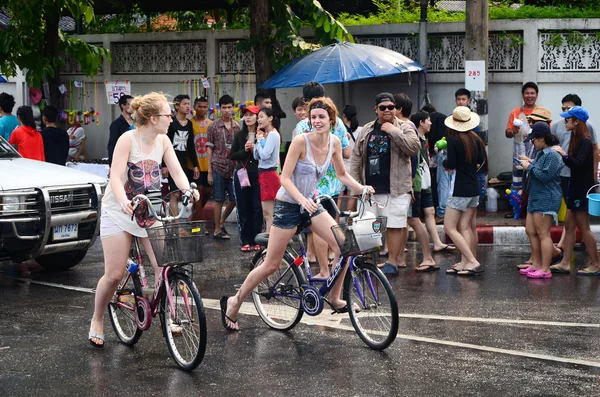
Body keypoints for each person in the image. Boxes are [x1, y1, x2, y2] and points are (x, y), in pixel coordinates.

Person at [219, 97, 373, 331]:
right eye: (313, 117)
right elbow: (285, 178)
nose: (317, 121)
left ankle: (335, 297)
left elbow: (342, 174)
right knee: (271, 265)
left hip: (311, 204)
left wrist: (362, 188)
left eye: (322, 117)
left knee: (346, 247)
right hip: (288, 205)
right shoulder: (301, 142)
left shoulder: (334, 142)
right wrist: (301, 200)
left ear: (331, 119)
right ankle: (234, 301)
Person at [88, 92, 199, 348]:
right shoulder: (127, 139)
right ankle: (97, 318)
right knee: (114, 274)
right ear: (152, 118)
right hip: (119, 211)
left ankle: (172, 313)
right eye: (167, 114)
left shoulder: (163, 140)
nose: (171, 118)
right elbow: (115, 176)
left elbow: (176, 172)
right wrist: (123, 201)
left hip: (149, 210)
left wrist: (187, 190)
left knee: (165, 266)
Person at [350, 92, 421, 276]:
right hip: (370, 187)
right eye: (383, 108)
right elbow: (356, 159)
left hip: (396, 188)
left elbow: (413, 148)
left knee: (394, 225)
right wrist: (356, 186)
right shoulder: (366, 130)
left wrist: (393, 131)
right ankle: (367, 261)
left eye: (391, 107)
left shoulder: (404, 127)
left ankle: (392, 262)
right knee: (367, 224)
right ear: (376, 109)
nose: (388, 110)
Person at [296, 82, 350, 278]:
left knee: (319, 229)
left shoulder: (302, 125)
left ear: (305, 101)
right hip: (333, 184)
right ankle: (329, 263)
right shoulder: (338, 123)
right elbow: (348, 152)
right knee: (331, 226)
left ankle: (324, 270)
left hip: (312, 186)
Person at [549, 106, 600, 276]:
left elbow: (577, 164)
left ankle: (595, 264)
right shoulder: (575, 138)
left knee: (584, 228)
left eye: (567, 119)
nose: (565, 122)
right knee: (569, 225)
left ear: (576, 121)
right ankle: (565, 263)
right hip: (574, 187)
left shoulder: (585, 140)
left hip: (581, 189)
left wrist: (563, 154)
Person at [443, 107, 487, 276]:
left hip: (459, 188)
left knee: (449, 227)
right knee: (465, 226)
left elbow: (451, 163)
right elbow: (479, 162)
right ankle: (465, 262)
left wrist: (444, 161)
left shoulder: (453, 140)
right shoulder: (476, 139)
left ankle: (471, 260)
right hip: (473, 187)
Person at [518, 122, 563, 279]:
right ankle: (536, 264)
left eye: (534, 139)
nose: (532, 142)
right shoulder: (542, 153)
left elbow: (545, 175)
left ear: (542, 139)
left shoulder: (552, 155)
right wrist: (530, 163)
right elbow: (539, 169)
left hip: (547, 197)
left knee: (543, 234)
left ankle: (545, 269)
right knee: (531, 230)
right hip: (535, 197)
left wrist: (528, 167)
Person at [410, 111, 456, 256]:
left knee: (430, 211)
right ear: (421, 123)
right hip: (416, 182)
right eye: (428, 120)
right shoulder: (414, 139)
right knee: (412, 218)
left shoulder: (424, 138)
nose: (431, 123)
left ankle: (437, 243)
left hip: (425, 181)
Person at [231, 105, 263, 251]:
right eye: (246, 115)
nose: (248, 117)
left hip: (257, 173)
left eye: (252, 115)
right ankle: (245, 239)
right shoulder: (239, 135)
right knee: (243, 207)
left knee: (257, 207)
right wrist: (244, 150)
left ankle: (257, 238)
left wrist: (256, 147)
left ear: (257, 117)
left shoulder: (263, 134)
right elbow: (232, 155)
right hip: (242, 173)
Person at [207, 94, 239, 239]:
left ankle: (220, 222)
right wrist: (209, 171)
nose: (227, 110)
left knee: (233, 199)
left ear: (233, 108)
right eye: (224, 108)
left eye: (229, 107)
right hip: (218, 166)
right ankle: (217, 230)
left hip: (233, 167)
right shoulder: (213, 126)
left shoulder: (237, 126)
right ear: (220, 109)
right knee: (219, 199)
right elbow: (209, 148)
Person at [165, 94, 199, 217]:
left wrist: (195, 165)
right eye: (184, 104)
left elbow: (191, 145)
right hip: (171, 160)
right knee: (174, 194)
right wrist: (164, 165)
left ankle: (175, 219)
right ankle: (175, 224)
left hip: (184, 162)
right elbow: (165, 143)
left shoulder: (189, 124)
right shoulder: (171, 123)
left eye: (188, 104)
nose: (187, 106)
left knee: (184, 192)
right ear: (177, 106)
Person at [505, 82, 539, 192]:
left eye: (532, 93)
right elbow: (507, 133)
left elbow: (548, 133)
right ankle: (518, 206)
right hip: (519, 155)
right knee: (518, 184)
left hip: (537, 154)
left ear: (537, 95)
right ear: (522, 95)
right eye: (527, 93)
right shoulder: (515, 112)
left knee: (534, 183)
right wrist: (513, 131)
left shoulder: (541, 112)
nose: (530, 96)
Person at [254, 107, 281, 233]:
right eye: (258, 117)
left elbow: (264, 155)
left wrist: (259, 142)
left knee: (268, 213)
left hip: (269, 174)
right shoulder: (265, 135)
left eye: (261, 117)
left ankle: (269, 243)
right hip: (264, 174)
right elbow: (256, 155)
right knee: (267, 213)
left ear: (270, 118)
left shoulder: (273, 135)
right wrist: (258, 141)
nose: (259, 120)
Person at [188, 96, 213, 221]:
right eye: (200, 106)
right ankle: (198, 222)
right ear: (194, 107)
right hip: (194, 165)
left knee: (208, 192)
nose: (202, 109)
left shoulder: (211, 124)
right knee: (198, 192)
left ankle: (194, 218)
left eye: (205, 107)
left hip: (208, 165)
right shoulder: (189, 123)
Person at [421, 103, 447, 215]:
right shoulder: (443, 117)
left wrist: (431, 150)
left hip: (439, 152)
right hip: (444, 149)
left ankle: (441, 211)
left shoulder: (432, 119)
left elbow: (431, 137)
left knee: (441, 182)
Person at [107, 94, 134, 168]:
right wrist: (112, 165)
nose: (133, 107)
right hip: (123, 160)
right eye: (130, 104)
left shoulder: (137, 122)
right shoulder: (116, 124)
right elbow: (112, 145)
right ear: (123, 106)